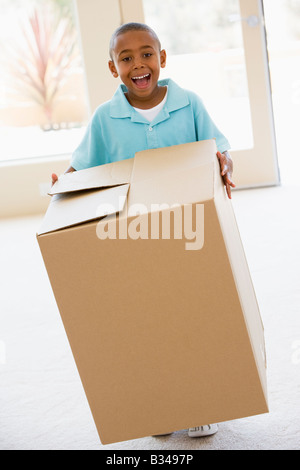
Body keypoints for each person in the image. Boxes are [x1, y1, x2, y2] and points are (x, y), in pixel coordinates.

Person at [51, 22, 235, 438]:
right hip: (133, 240)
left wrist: (225, 164)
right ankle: (160, 406)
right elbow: (81, 167)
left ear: (162, 58)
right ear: (113, 68)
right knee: (146, 324)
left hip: (189, 234)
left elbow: (217, 149)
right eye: (126, 57)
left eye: (146, 53)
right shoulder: (105, 118)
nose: (138, 63)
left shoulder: (189, 104)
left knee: (196, 318)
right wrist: (61, 186)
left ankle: (200, 402)